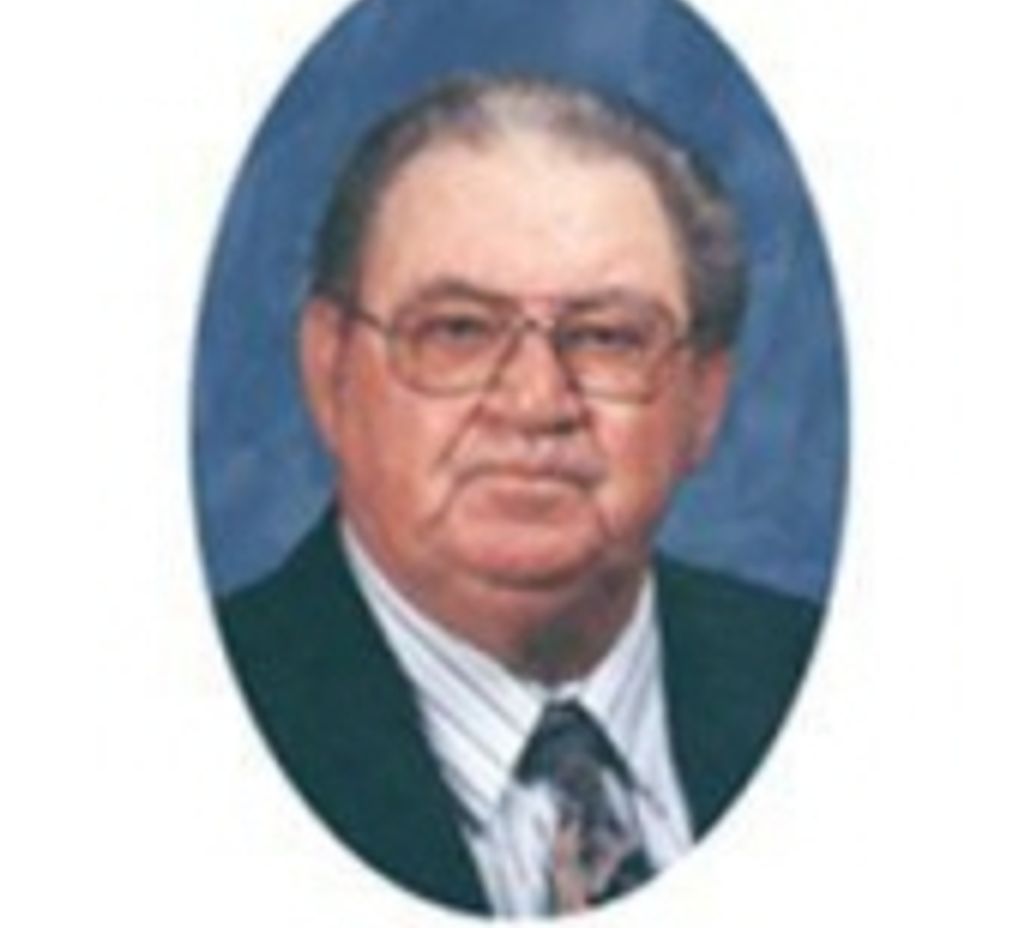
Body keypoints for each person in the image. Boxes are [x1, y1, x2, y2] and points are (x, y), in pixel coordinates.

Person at [215, 74, 822, 916]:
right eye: (458, 330)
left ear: (704, 400)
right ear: (331, 372)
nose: (536, 402)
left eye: (607, 337)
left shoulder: (812, 676)